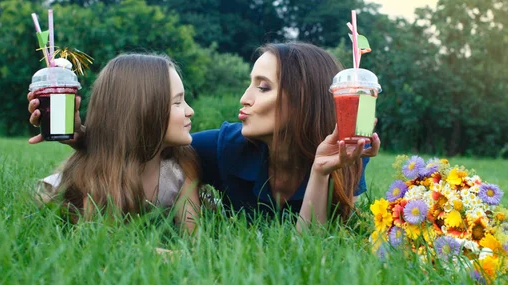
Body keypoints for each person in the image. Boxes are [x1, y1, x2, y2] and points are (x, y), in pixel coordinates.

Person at [29, 43, 379, 228]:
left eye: (264, 87)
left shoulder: (344, 158)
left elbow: (312, 250)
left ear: (303, 102)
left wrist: (321, 172)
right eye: (250, 83)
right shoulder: (226, 147)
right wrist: (79, 134)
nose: (245, 98)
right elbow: (142, 137)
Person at [33, 53, 200, 231]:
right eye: (177, 102)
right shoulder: (98, 176)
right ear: (143, 112)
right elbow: (101, 240)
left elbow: (193, 240)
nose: (190, 111)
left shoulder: (180, 168)